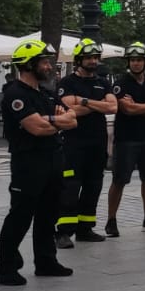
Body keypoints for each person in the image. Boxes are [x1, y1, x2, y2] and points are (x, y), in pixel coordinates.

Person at [0, 41, 77, 285]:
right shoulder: (15, 94)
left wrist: (48, 119)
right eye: (43, 61)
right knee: (20, 216)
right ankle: (7, 268)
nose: (49, 66)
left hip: (52, 160)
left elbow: (72, 119)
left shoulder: (45, 93)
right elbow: (37, 128)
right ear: (29, 64)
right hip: (28, 163)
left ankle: (45, 261)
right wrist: (54, 120)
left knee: (48, 215)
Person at [105, 42, 145, 236]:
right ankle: (111, 220)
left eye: (139, 60)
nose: (135, 64)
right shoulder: (120, 84)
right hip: (126, 140)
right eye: (132, 60)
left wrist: (141, 107)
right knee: (119, 180)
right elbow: (127, 109)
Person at [55, 37, 116, 246]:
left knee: (93, 186)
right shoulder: (67, 83)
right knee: (70, 187)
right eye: (88, 57)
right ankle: (63, 232)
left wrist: (84, 101)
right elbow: (70, 109)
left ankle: (85, 228)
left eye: (95, 57)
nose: (93, 61)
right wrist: (98, 104)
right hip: (74, 144)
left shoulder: (102, 82)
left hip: (97, 144)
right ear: (79, 59)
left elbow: (113, 107)